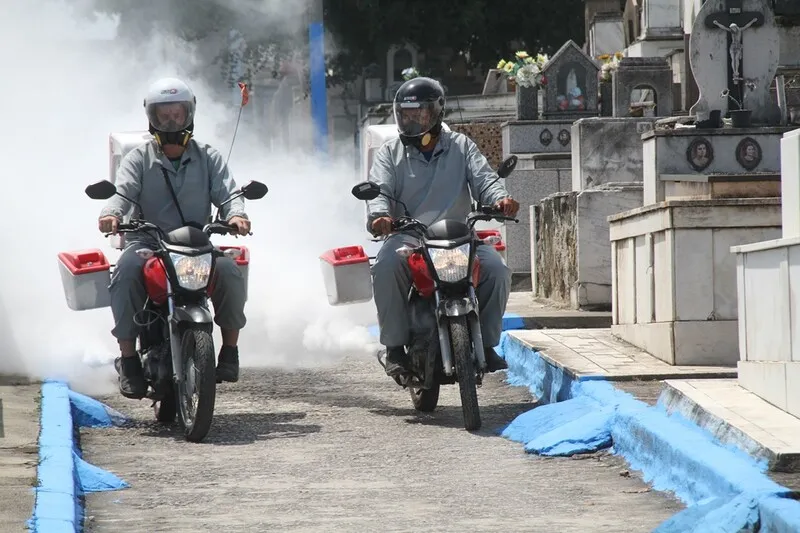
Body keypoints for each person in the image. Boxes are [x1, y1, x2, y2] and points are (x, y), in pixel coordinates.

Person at [98, 77, 252, 399]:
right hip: (148, 242)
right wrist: (111, 214)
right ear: (151, 117)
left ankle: (230, 351)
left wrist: (237, 215)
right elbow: (121, 194)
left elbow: (229, 195)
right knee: (125, 272)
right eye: (163, 115)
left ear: (189, 114)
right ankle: (128, 359)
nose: (170, 121)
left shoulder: (209, 157)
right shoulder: (138, 159)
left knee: (230, 272)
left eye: (177, 114)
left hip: (197, 244)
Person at [367, 76, 520, 378]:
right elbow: (379, 190)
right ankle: (395, 348)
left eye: (418, 113)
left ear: (437, 112)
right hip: (409, 236)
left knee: (498, 272)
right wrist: (380, 216)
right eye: (405, 114)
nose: (410, 120)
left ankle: (487, 345)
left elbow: (485, 180)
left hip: (460, 235)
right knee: (385, 268)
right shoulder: (390, 152)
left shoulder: (461, 146)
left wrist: (500, 199)